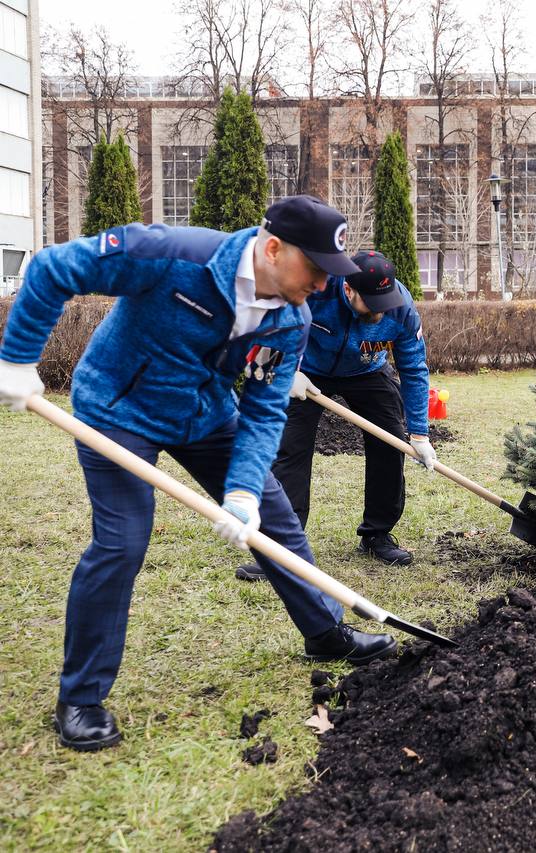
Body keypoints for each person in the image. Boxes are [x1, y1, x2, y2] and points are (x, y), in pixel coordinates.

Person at [0, 195, 398, 752]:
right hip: (120, 411)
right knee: (121, 544)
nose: (323, 284)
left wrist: (241, 490)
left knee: (275, 519)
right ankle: (81, 697)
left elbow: (264, 409)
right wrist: (17, 360)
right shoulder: (172, 255)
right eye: (314, 269)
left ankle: (325, 632)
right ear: (274, 247)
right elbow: (52, 269)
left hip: (208, 417)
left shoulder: (293, 317)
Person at [235, 250, 433, 578]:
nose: (381, 311)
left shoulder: (400, 307)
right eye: (372, 302)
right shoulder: (316, 289)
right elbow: (268, 329)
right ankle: (281, 548)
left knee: (391, 442)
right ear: (349, 289)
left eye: (385, 301)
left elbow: (413, 367)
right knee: (290, 449)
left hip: (367, 371)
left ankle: (377, 534)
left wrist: (420, 434)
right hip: (307, 372)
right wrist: (285, 373)